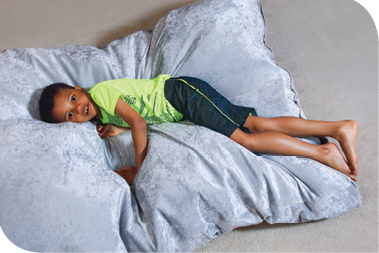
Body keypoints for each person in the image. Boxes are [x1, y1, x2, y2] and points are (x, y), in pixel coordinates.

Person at [39, 74, 358, 184]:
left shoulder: (102, 93)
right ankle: (338, 127)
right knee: (257, 123)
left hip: (183, 96)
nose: (77, 109)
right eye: (69, 115)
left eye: (73, 98)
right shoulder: (104, 113)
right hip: (186, 98)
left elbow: (138, 120)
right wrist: (116, 128)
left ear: (80, 88)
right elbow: (133, 115)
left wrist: (140, 166)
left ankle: (322, 151)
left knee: (246, 141)